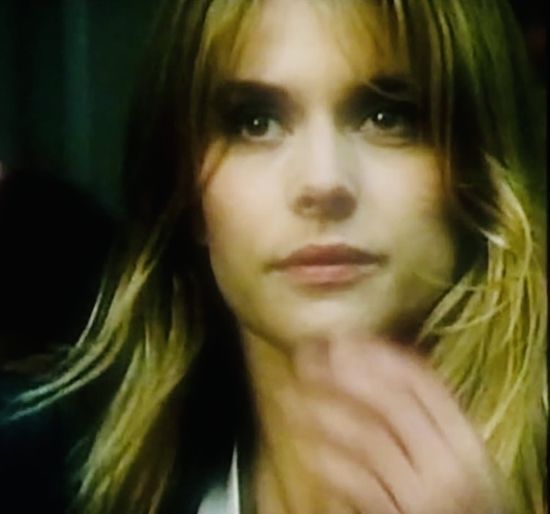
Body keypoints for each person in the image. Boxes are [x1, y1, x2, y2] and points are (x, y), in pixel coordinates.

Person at [1, 0, 546, 513]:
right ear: (188, 195)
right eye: (255, 122)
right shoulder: (51, 482)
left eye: (388, 117)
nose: (322, 182)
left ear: (479, 171)